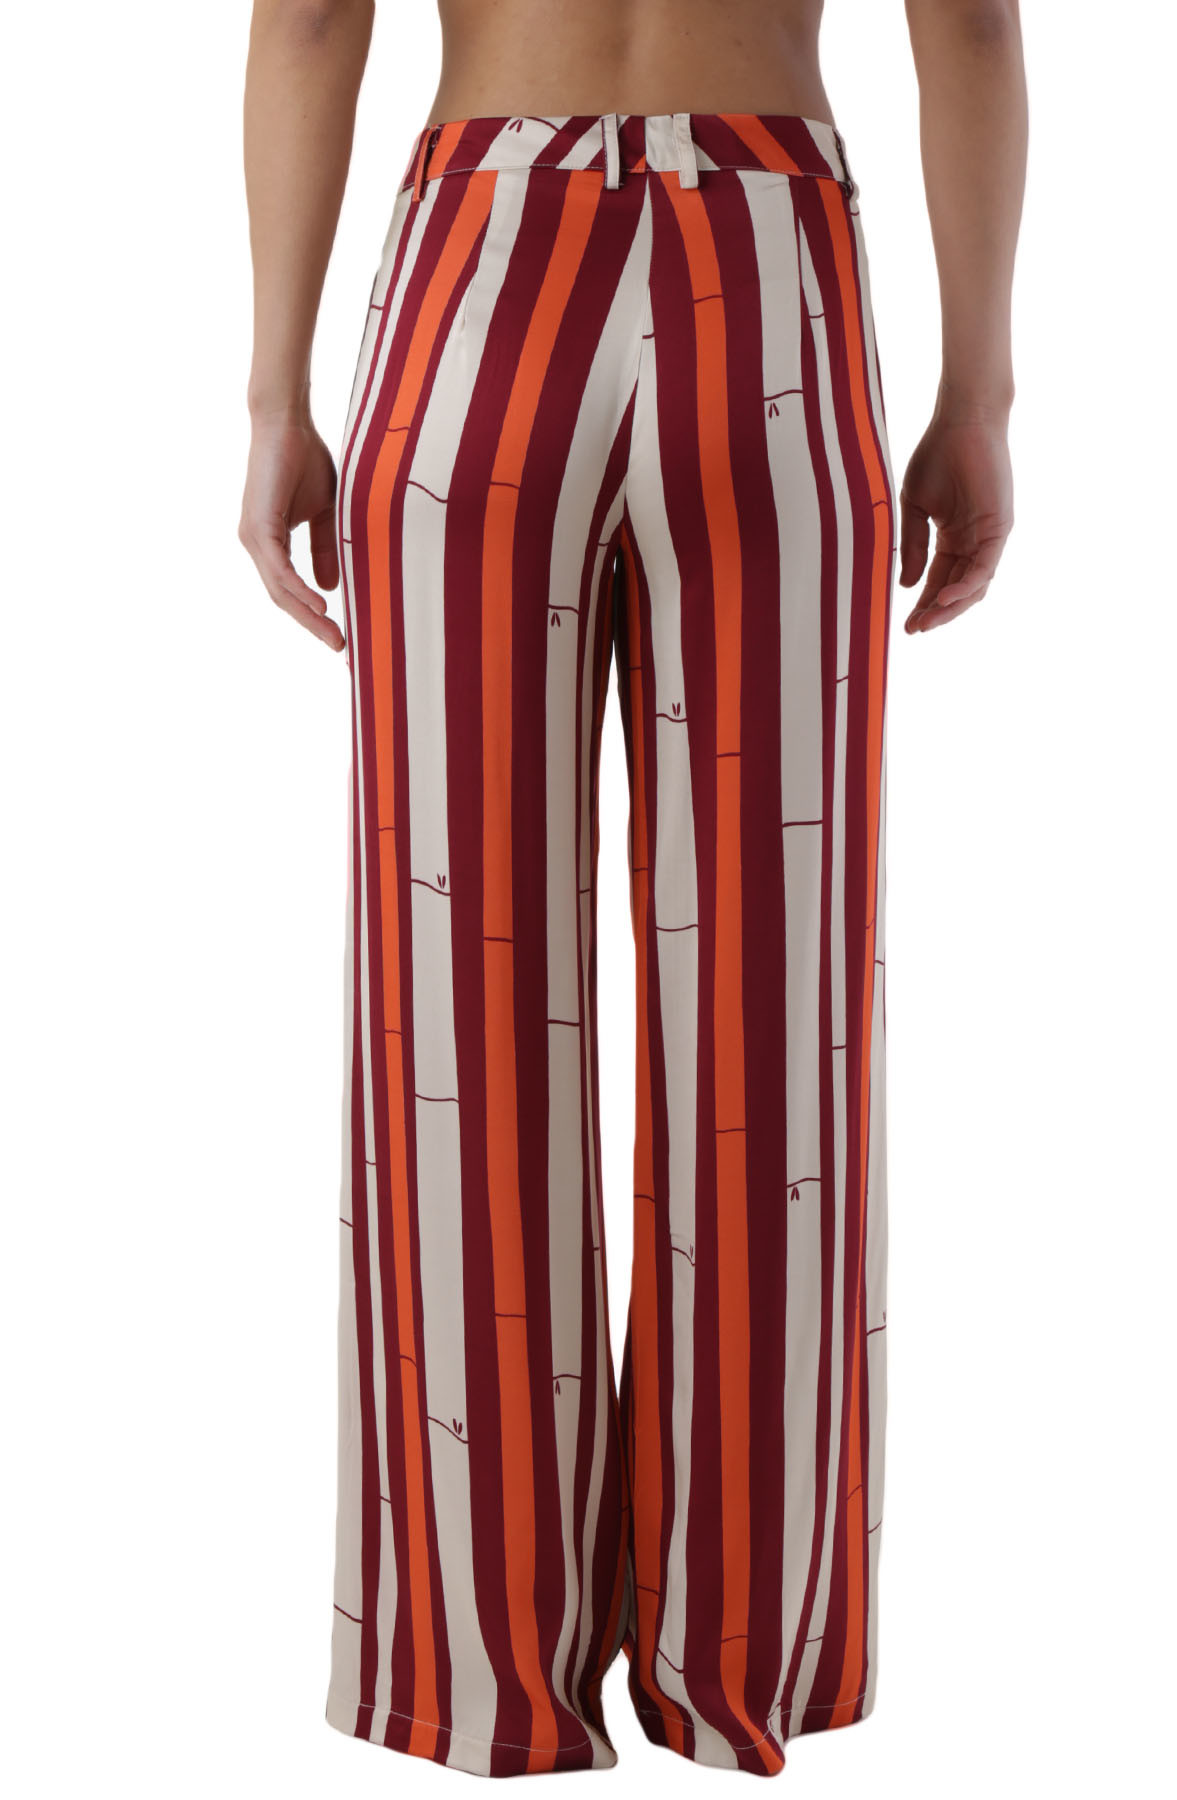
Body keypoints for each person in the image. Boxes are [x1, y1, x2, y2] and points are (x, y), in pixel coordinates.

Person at [238, 0, 1027, 1778]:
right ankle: (742, 1658)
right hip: (765, 273)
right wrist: (978, 391)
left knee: (453, 1000)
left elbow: (310, 18)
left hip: (479, 284)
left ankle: (477, 1666)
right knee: (774, 1005)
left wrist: (277, 392)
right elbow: (969, 28)